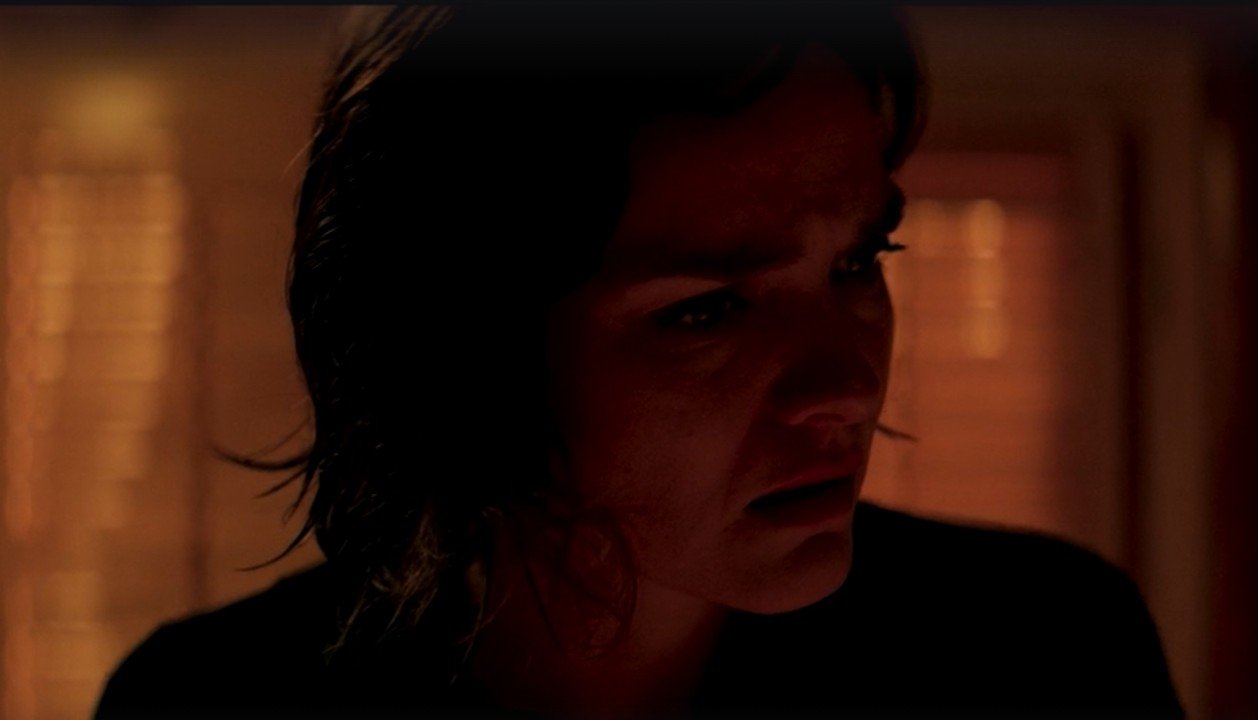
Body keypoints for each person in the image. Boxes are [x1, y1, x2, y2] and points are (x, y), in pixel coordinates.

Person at [95, 4, 1184, 718]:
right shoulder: (212, 701)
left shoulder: (1039, 655)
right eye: (707, 312)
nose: (846, 389)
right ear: (465, 348)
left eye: (859, 261)